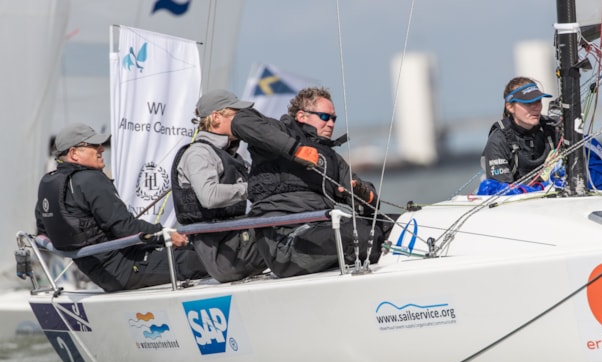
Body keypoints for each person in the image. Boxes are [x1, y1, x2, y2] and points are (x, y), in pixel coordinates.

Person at [228, 86, 387, 278]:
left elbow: (372, 204)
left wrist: (364, 193)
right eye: (325, 117)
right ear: (302, 116)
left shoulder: (332, 159)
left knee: (392, 225)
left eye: (333, 118)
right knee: (360, 235)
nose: (331, 124)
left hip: (321, 229)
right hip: (284, 241)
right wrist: (295, 150)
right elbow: (240, 121)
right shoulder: (279, 134)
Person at [35, 123, 209, 292]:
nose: (101, 149)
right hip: (123, 269)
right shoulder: (90, 180)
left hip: (98, 273)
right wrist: (165, 234)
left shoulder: (48, 184)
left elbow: (43, 230)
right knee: (207, 259)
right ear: (74, 153)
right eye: (94, 145)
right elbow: (126, 228)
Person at [171, 90, 268, 282]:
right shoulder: (199, 153)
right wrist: (253, 188)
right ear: (215, 117)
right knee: (289, 225)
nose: (242, 121)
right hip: (223, 254)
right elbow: (210, 196)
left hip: (234, 241)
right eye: (236, 115)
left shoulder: (230, 155)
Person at [480, 77, 561, 184]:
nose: (536, 107)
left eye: (538, 101)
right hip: (516, 198)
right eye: (528, 103)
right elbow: (502, 189)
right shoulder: (499, 140)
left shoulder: (554, 128)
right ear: (510, 107)